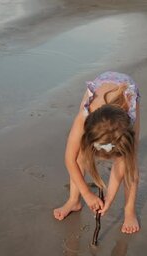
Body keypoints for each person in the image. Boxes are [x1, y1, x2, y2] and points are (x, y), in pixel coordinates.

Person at [53, 71, 140, 234]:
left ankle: (129, 211)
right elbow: (69, 159)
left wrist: (109, 198)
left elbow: (121, 167)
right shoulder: (84, 116)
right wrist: (86, 193)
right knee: (79, 155)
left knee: (130, 163)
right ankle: (74, 200)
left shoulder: (130, 118)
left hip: (126, 88)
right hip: (102, 83)